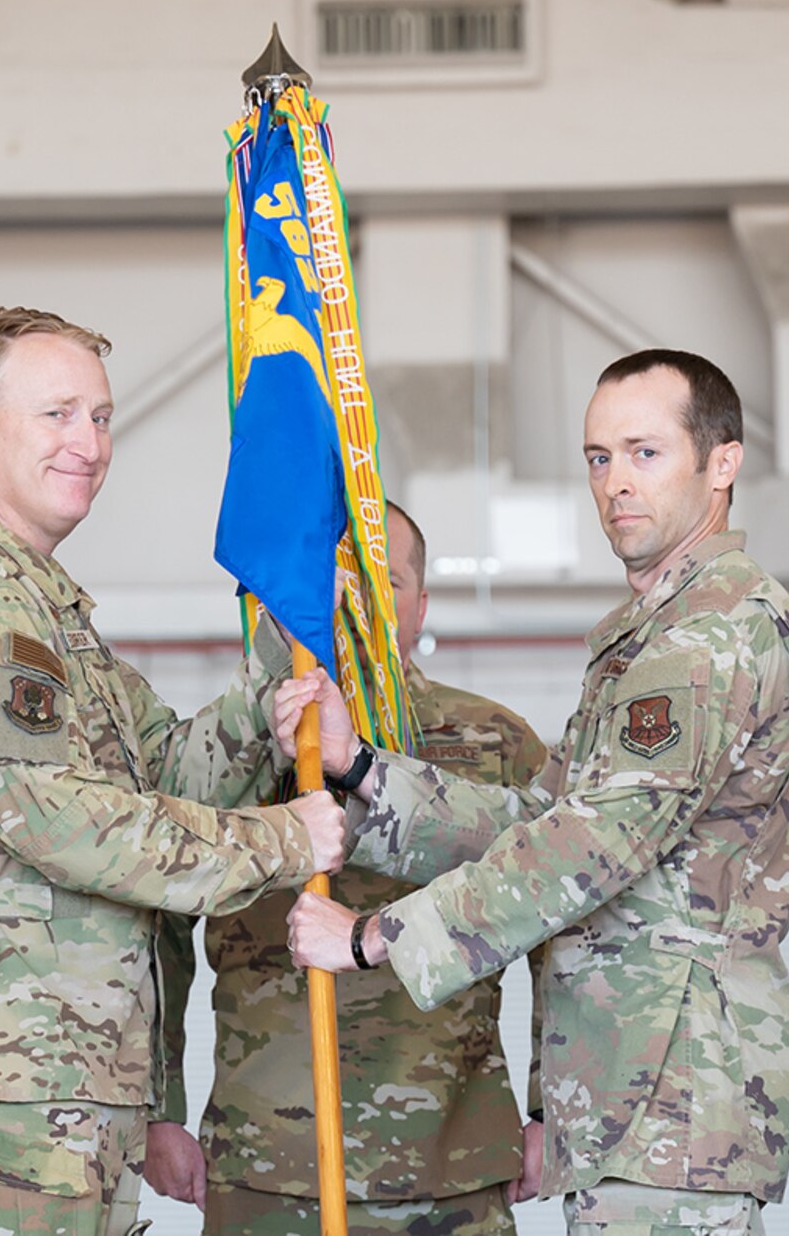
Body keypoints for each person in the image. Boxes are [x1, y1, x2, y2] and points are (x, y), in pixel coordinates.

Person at [284, 350, 789, 1236]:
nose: (616, 482)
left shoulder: (711, 639)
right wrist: (361, 771)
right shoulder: (653, 637)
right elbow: (537, 821)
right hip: (636, 1099)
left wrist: (377, 936)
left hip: (674, 1102)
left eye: (646, 453)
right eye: (599, 457)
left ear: (721, 463)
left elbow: (586, 850)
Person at [0, 306, 347, 1236]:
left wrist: (263, 704)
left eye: (102, 416)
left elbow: (160, 769)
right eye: (57, 415)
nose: (88, 442)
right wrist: (284, 840)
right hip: (3, 1075)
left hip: (67, 1068)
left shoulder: (44, 606)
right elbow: (59, 820)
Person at [146, 501, 551, 1235]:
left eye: (384, 582)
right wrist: (159, 1106)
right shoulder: (231, 747)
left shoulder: (495, 742)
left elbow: (560, 923)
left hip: (452, 1165)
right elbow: (159, 917)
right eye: (334, 582)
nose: (356, 604)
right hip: (268, 1167)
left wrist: (553, 1107)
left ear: (422, 606)